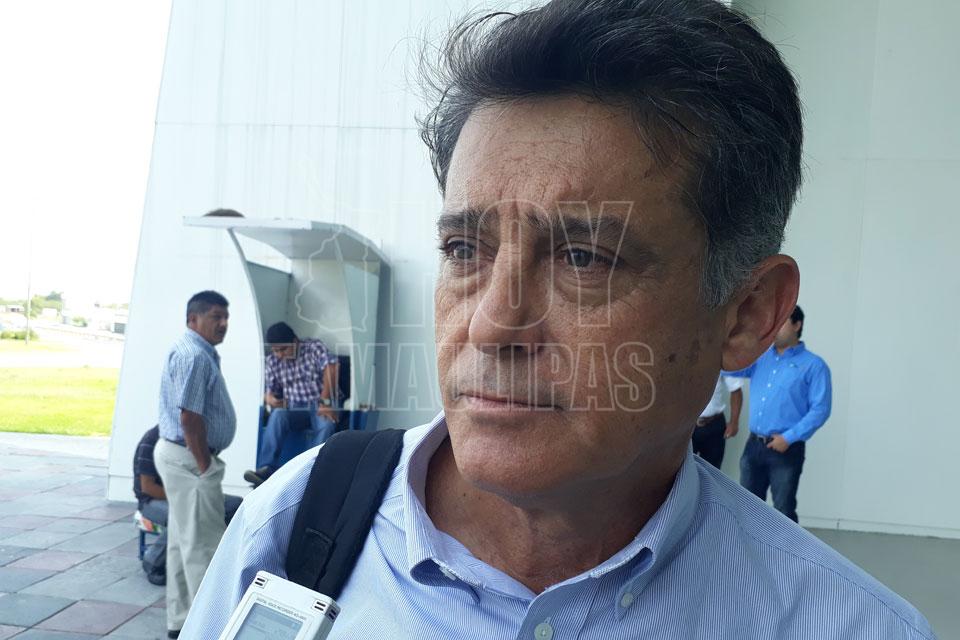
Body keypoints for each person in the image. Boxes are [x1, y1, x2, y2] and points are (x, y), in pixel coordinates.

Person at [184, 2, 932, 638]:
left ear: (746, 314)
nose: (490, 327)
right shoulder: (296, 524)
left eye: (584, 258)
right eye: (464, 249)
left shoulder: (846, 625)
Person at [153, 290, 236, 639]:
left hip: (182, 457)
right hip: (190, 460)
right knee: (202, 548)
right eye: (216, 316)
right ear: (193, 319)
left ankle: (181, 624)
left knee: (182, 544)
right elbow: (189, 416)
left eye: (226, 317)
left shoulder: (195, 351)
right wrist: (204, 464)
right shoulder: (195, 355)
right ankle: (207, 629)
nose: (223, 323)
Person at [726, 305, 832, 523]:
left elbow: (820, 409)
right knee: (747, 509)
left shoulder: (814, 365)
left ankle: (785, 548)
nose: (774, 328)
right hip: (753, 445)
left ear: (797, 325)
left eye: (781, 322)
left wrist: (789, 438)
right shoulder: (761, 358)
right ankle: (751, 547)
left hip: (786, 448)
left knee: (783, 512)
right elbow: (728, 368)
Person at [133, 425, 243, 585]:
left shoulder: (194, 440)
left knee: (235, 504)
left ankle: (219, 560)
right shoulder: (152, 440)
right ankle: (153, 562)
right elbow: (148, 488)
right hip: (153, 501)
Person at [243, 322, 338, 486]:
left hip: (320, 403)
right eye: (275, 350)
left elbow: (332, 367)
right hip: (295, 408)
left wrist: (325, 401)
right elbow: (269, 392)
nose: (279, 354)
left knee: (326, 423)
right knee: (278, 414)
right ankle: (266, 469)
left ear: (295, 342)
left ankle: (312, 472)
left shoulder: (313, 348)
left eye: (283, 349)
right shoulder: (273, 360)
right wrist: (270, 399)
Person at [691, 375, 743, 468]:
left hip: (713, 425)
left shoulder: (720, 364)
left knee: (712, 471)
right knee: (682, 471)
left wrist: (734, 422)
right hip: (685, 427)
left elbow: (735, 389)